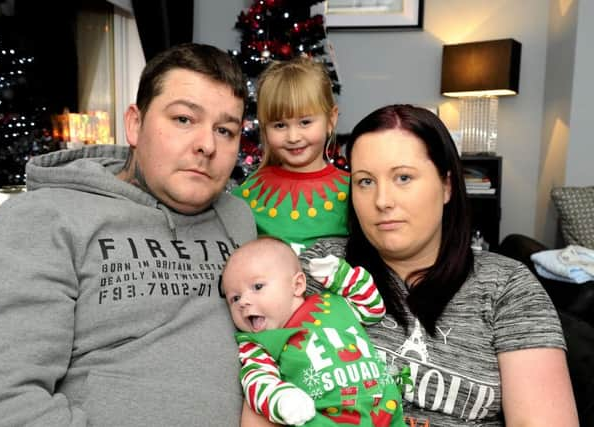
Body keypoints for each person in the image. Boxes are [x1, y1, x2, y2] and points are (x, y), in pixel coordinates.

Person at [0, 43, 258, 427]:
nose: (207, 144)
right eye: (183, 119)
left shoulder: (239, 220)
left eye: (225, 130)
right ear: (135, 124)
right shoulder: (43, 219)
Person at [299, 104, 579, 426]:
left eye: (403, 177)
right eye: (365, 182)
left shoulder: (508, 287)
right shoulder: (319, 269)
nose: (382, 201)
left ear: (446, 185)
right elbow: (263, 379)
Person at [222, 237, 406, 427]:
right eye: (234, 298)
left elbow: (373, 308)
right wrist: (282, 400)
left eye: (257, 287)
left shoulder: (332, 303)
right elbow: (256, 381)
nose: (243, 302)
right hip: (326, 420)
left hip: (385, 410)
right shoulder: (259, 343)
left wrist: (341, 276)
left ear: (297, 285)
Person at [232, 56, 348, 254]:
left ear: (331, 119)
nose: (293, 137)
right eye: (280, 125)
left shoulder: (352, 191)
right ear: (264, 127)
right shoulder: (248, 193)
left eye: (305, 122)